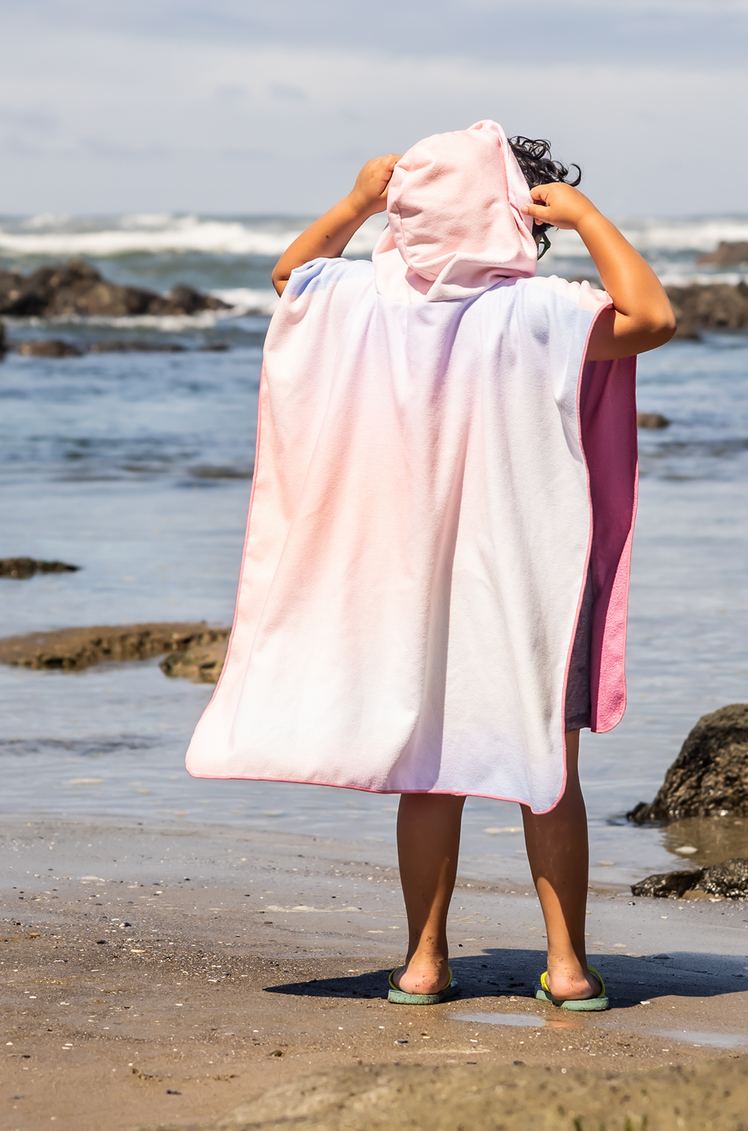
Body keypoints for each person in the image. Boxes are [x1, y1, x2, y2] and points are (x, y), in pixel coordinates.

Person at [186, 120, 676, 1011]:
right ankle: (566, 967)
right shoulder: (540, 312)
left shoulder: (360, 302)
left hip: (408, 588)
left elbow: (290, 275)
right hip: (528, 583)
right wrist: (593, 217)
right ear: (515, 218)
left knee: (430, 774)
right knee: (547, 772)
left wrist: (353, 201)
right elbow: (652, 317)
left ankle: (423, 961)